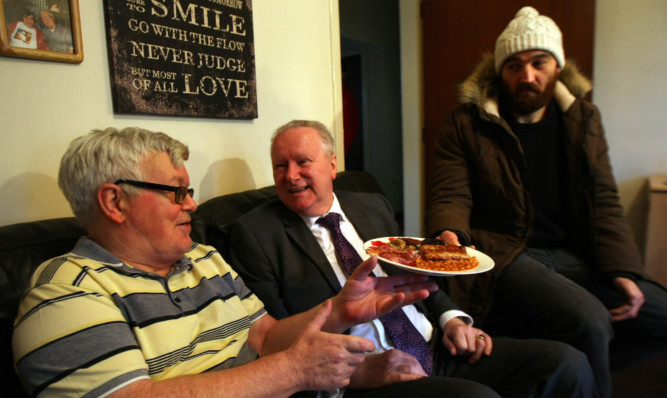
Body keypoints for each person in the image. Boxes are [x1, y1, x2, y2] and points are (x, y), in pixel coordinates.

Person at [12, 127, 439, 397]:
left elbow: (268, 337)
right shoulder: (67, 292)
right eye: (176, 192)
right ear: (114, 201)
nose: (192, 205)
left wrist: (340, 310)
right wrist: (290, 373)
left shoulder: (204, 259)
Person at [227, 119, 598, 398]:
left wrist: (453, 320)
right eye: (280, 165)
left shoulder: (371, 206)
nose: (291, 176)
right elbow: (278, 338)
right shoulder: (257, 234)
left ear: (331, 165)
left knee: (568, 363)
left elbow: (418, 275)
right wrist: (363, 369)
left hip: (437, 345)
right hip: (368, 372)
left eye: (303, 162)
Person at [424, 6, 667, 398]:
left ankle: (574, 373)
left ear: (557, 66)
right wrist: (450, 232)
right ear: (500, 72)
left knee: (660, 315)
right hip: (507, 251)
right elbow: (450, 193)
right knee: (592, 322)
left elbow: (604, 198)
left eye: (539, 62)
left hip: (575, 254)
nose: (528, 76)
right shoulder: (466, 122)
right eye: (514, 66)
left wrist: (624, 269)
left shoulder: (583, 120)